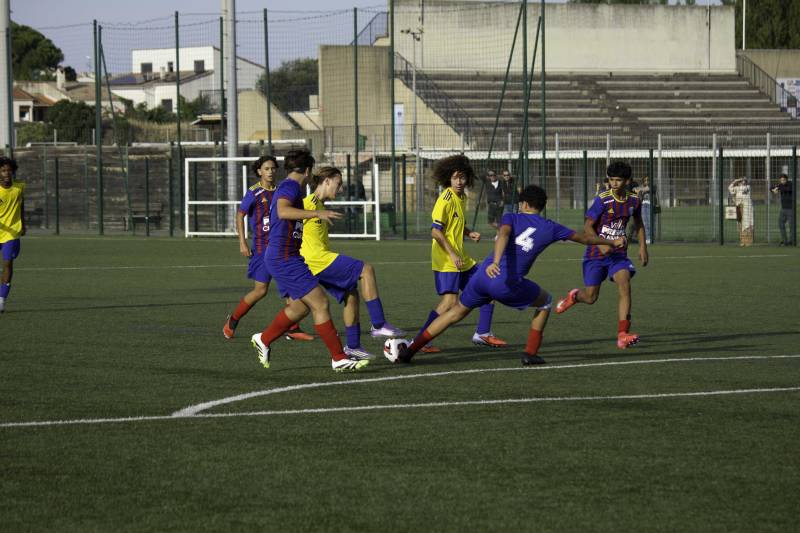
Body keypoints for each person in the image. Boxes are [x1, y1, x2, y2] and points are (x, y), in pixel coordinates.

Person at [393, 185, 624, 365]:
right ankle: (530, 354)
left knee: (455, 313)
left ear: (523, 204)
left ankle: (410, 351)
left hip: (482, 276)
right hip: (505, 283)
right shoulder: (551, 227)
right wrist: (611, 241)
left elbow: (503, 234)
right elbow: (585, 238)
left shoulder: (511, 216)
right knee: (546, 302)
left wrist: (493, 261)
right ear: (541, 206)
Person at [250, 149, 368, 372]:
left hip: (289, 255)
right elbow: (284, 212)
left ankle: (264, 339)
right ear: (307, 170)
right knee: (321, 303)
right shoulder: (290, 187)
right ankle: (338, 357)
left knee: (300, 307)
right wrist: (317, 214)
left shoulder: (291, 187)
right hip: (283, 257)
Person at [301, 166, 405, 359]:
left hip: (319, 260)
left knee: (352, 294)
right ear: (326, 181)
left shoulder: (321, 207)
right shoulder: (307, 203)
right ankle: (379, 324)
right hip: (316, 261)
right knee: (366, 270)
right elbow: (287, 219)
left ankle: (353, 346)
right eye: (338, 184)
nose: (339, 190)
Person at [412, 154, 507, 353]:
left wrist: (468, 232)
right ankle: (420, 341)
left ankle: (482, 333)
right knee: (450, 302)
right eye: (455, 178)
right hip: (446, 259)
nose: (459, 182)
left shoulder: (462, 197)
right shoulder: (444, 199)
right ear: (448, 178)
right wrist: (453, 255)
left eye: (462, 177)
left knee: (489, 287)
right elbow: (436, 231)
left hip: (461, 258)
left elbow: (455, 224)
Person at [554, 161, 649, 350]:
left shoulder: (634, 200)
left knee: (624, 285)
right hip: (595, 253)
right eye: (611, 179)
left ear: (627, 181)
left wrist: (643, 247)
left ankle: (623, 334)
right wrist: (603, 244)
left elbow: (638, 223)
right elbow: (587, 227)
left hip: (618, 255)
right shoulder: (603, 200)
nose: (614, 183)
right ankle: (574, 296)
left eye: (618, 180)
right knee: (590, 298)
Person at [222, 155, 314, 341]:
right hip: (262, 249)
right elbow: (240, 215)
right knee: (260, 291)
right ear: (259, 171)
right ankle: (233, 319)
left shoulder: (282, 190)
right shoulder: (254, 192)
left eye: (273, 168)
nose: (271, 172)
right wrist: (242, 241)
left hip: (280, 247)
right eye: (266, 168)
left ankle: (292, 328)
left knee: (289, 289)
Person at [0, 157, 25, 314]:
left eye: (9, 170)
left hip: (12, 232)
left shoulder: (19, 187)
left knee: (8, 264)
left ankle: (1, 300)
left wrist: (24, 223)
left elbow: (22, 205)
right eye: (3, 170)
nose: (6, 173)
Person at [729, 177, 754, 247]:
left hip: (747, 208)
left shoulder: (748, 187)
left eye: (744, 181)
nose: (742, 182)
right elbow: (730, 188)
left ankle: (748, 241)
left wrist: (743, 180)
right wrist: (736, 180)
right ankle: (742, 241)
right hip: (739, 207)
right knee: (740, 224)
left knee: (748, 224)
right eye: (741, 181)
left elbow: (744, 189)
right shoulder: (736, 188)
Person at [771, 174, 793, 246]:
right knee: (780, 224)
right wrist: (773, 189)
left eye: (783, 180)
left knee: (791, 225)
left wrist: (778, 189)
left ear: (786, 179)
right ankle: (785, 241)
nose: (782, 181)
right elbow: (771, 187)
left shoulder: (790, 184)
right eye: (781, 180)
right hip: (783, 208)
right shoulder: (780, 185)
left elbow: (788, 189)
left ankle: (792, 241)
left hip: (791, 208)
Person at [634, 176, 657, 244]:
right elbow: (636, 190)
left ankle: (652, 237)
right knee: (645, 223)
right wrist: (638, 191)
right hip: (644, 205)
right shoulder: (642, 187)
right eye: (645, 180)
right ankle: (647, 238)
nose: (646, 182)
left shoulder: (653, 186)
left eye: (648, 180)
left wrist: (639, 190)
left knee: (651, 222)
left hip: (651, 205)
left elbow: (646, 189)